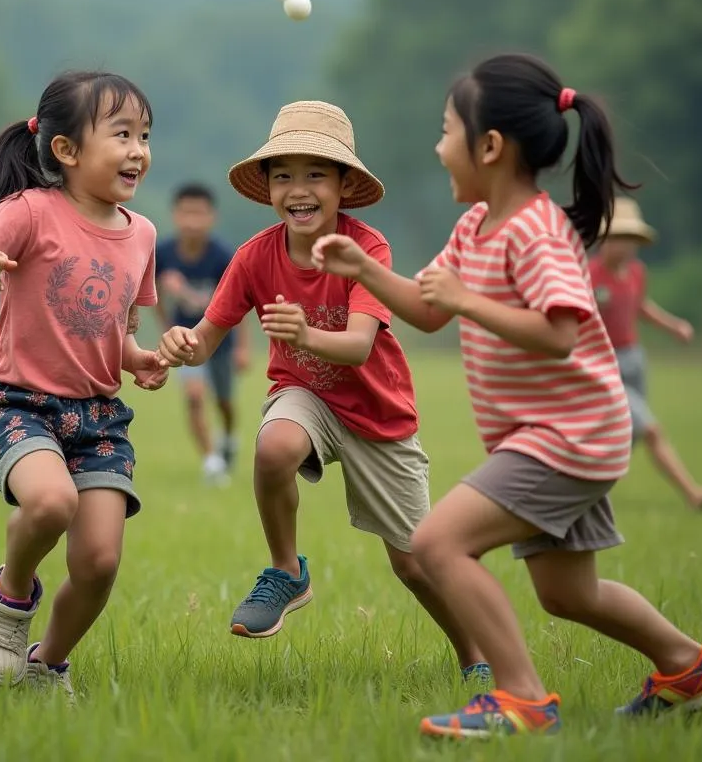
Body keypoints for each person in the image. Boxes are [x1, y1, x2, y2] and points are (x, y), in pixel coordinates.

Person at [312, 54, 702, 738]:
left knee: (437, 544)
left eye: (446, 130)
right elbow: (427, 310)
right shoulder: (474, 225)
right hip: (553, 435)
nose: (437, 146)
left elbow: (560, 333)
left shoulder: (535, 230)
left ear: (489, 146)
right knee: (568, 593)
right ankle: (689, 667)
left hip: (568, 436)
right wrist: (365, 268)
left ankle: (521, 700)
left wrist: (470, 302)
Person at [158, 100, 484, 679]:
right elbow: (208, 336)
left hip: (377, 413)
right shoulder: (254, 257)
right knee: (275, 446)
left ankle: (475, 656)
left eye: (315, 174)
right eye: (283, 175)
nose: (297, 189)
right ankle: (286, 570)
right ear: (267, 188)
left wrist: (304, 332)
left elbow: (359, 345)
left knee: (415, 565)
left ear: (343, 185)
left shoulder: (365, 249)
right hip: (304, 395)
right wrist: (182, 344)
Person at [0, 70, 168, 698]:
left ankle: (46, 665)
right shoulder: (30, 212)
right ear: (66, 150)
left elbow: (117, 333)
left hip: (98, 418)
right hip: (19, 404)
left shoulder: (142, 235)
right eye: (122, 134)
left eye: (145, 135)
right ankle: (10, 596)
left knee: (99, 562)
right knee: (51, 502)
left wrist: (144, 359)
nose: (138, 149)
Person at [590, 198, 702, 511]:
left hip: (634, 360)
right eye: (619, 238)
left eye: (630, 240)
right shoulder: (589, 275)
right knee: (650, 429)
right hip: (605, 364)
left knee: (627, 437)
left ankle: (590, 489)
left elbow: (642, 308)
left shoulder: (636, 273)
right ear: (605, 239)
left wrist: (673, 326)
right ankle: (693, 494)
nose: (625, 247)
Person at [155, 183, 248, 483]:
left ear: (212, 217)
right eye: (186, 213)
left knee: (224, 403)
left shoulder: (222, 255)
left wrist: (242, 347)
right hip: (186, 341)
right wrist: (166, 327)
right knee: (194, 397)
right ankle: (212, 461)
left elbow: (238, 305)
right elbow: (152, 294)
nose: (192, 221)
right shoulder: (164, 253)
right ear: (175, 215)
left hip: (220, 340)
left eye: (199, 214)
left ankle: (229, 438)